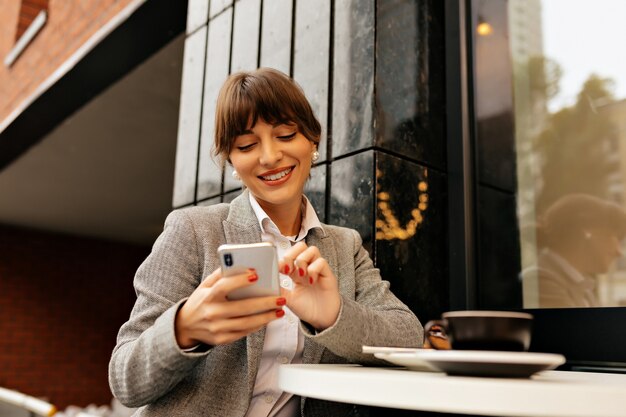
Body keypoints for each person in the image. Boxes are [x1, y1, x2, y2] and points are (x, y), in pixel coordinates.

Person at [108, 68, 423, 416]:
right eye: (246, 145)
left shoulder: (344, 246)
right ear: (232, 159)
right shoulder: (194, 230)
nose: (270, 156)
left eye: (286, 135)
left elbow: (408, 336)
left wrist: (333, 315)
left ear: (312, 141)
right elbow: (125, 380)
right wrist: (183, 328)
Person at [522, 194, 626, 308]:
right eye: (614, 237)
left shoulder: (582, 287)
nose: (618, 252)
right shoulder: (542, 282)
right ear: (588, 233)